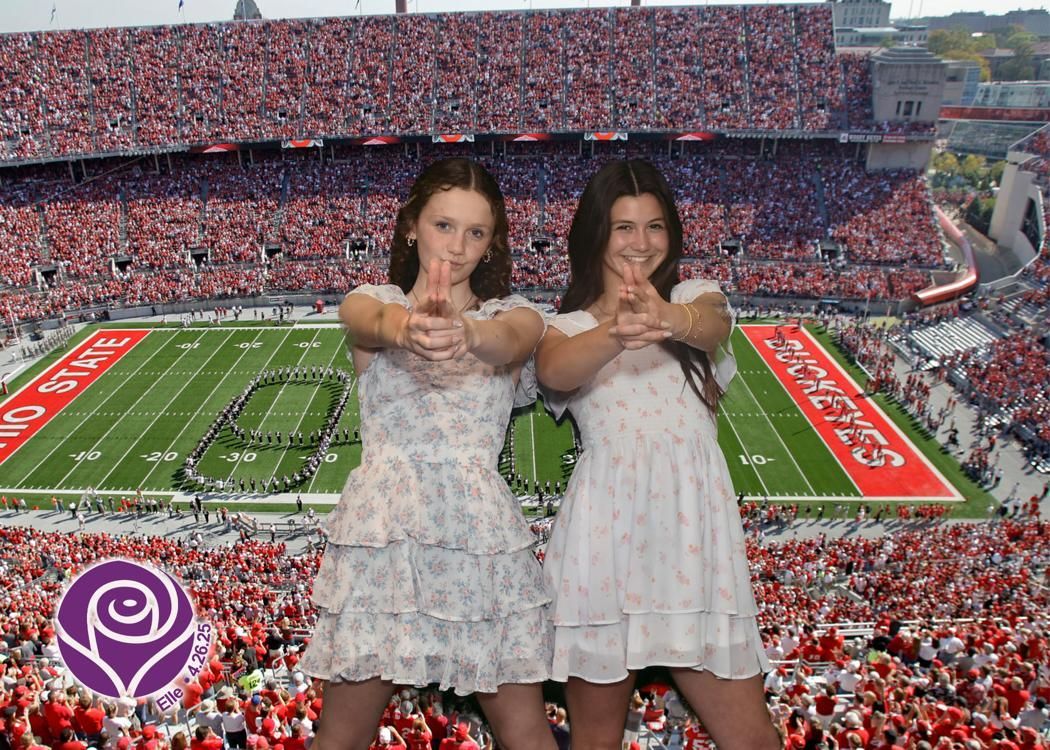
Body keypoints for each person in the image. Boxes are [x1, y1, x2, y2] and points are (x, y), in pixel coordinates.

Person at [298, 158, 554, 750]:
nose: (458, 246)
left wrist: (467, 334)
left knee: (527, 733)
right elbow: (364, 317)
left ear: (492, 244)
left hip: (479, 539)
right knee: (341, 737)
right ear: (411, 226)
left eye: (475, 232)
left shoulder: (513, 315)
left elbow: (512, 338)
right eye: (443, 225)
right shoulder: (373, 301)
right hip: (384, 539)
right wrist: (406, 327)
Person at [535, 159, 780, 750]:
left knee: (753, 738)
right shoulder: (563, 326)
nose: (641, 242)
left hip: (696, 547)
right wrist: (620, 327)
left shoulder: (692, 298)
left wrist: (664, 316)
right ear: (596, 232)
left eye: (655, 227)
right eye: (623, 227)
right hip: (604, 548)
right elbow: (554, 370)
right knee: (595, 741)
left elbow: (713, 325)